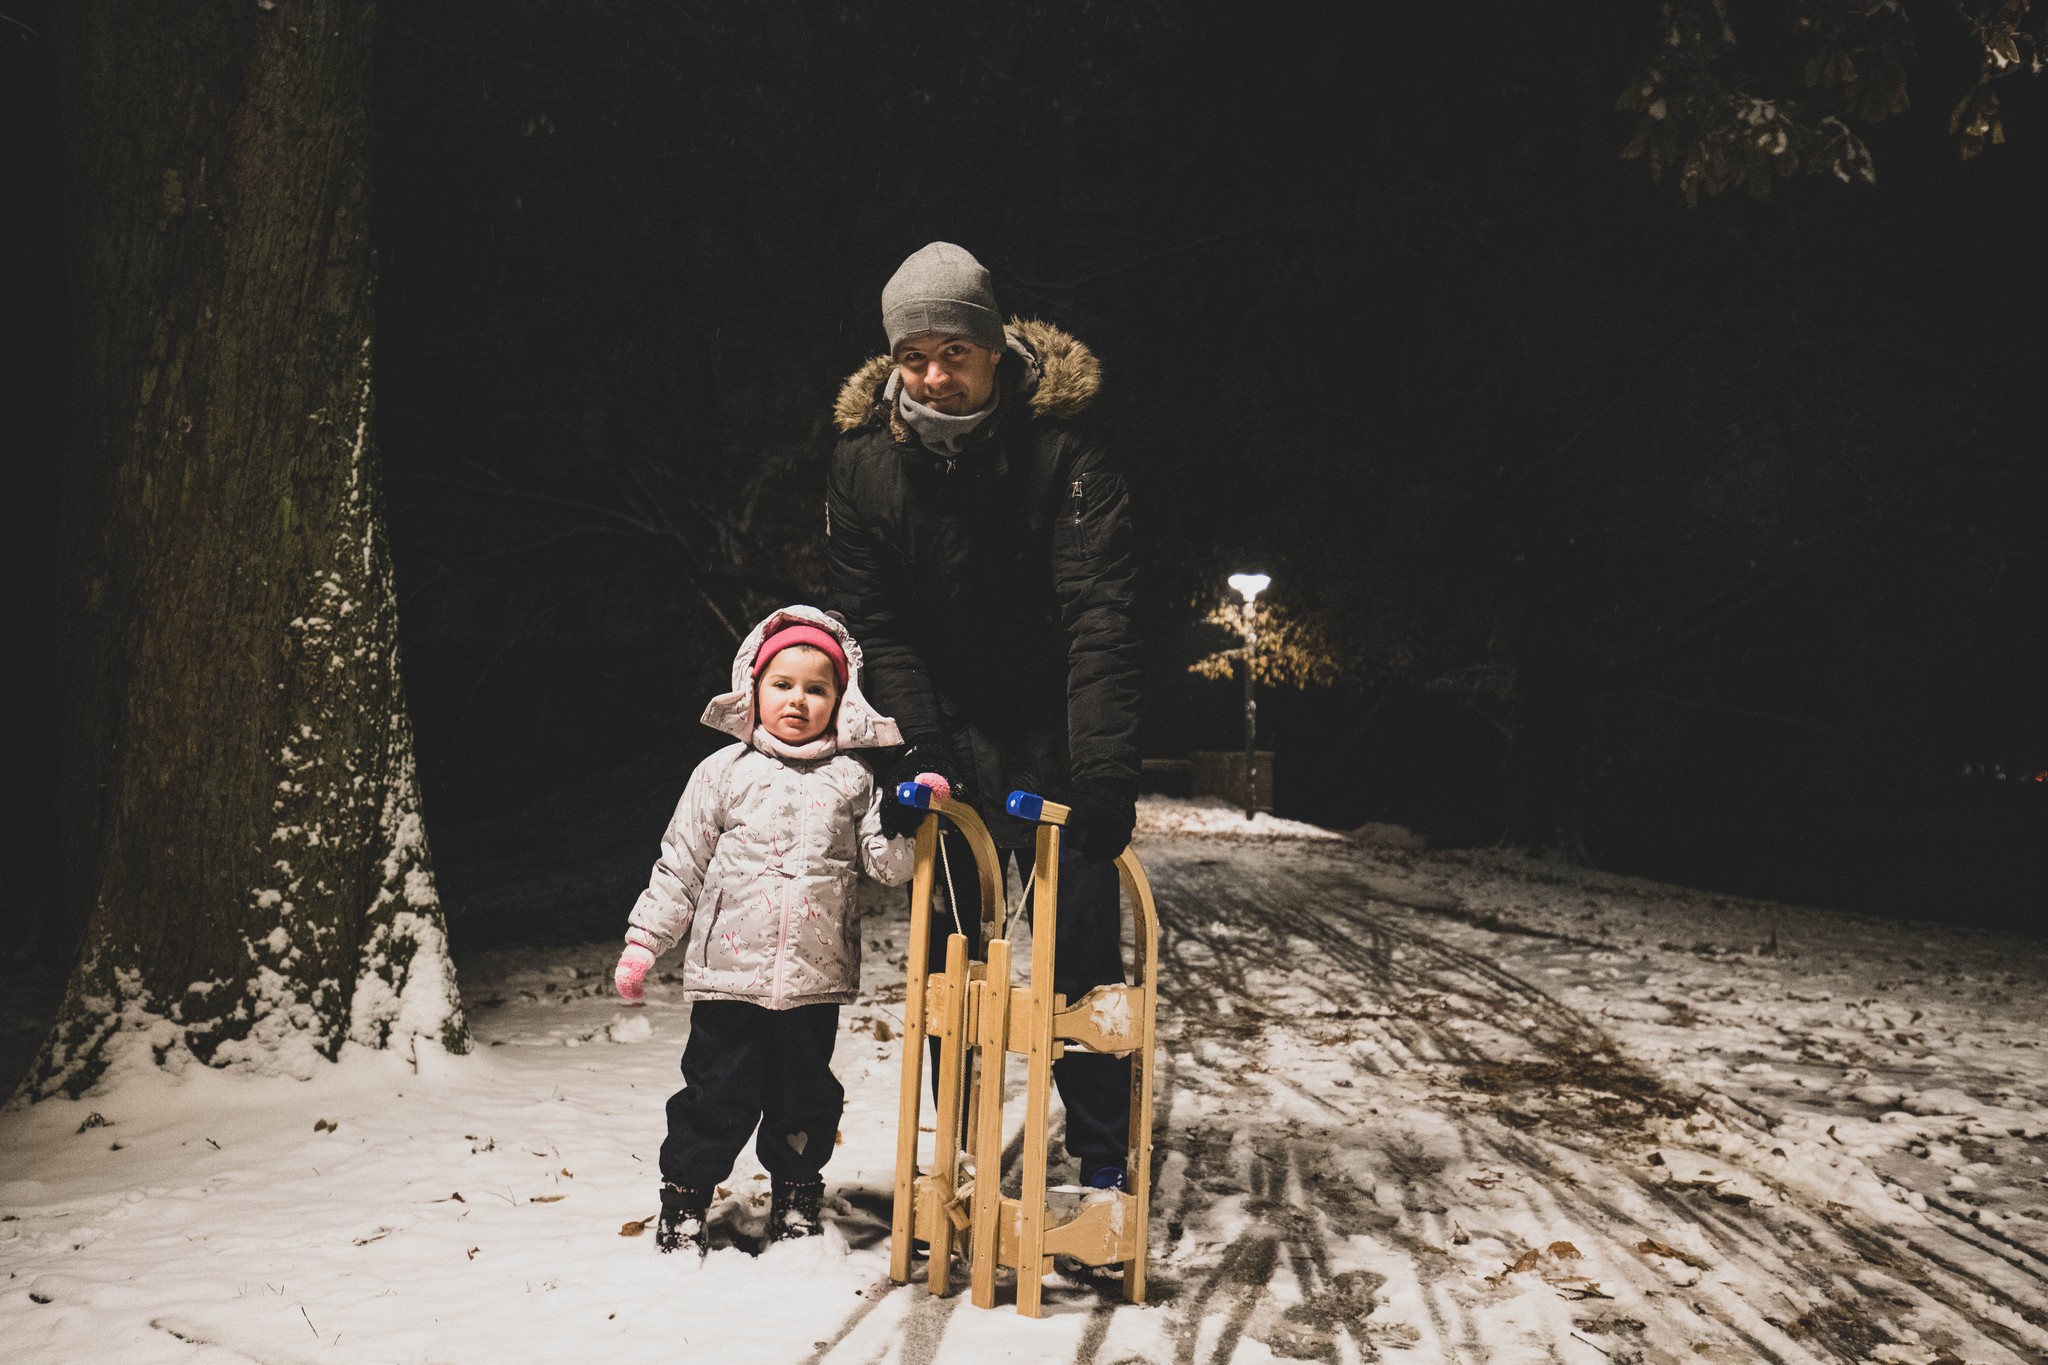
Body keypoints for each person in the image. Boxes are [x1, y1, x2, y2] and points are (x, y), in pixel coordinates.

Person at [825, 241, 1143, 1193]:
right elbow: (877, 624)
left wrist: (1104, 771)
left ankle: (1099, 1160)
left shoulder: (1066, 455)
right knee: (951, 954)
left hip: (1052, 734)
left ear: (993, 349)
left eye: (954, 352)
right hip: (947, 735)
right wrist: (917, 749)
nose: (934, 373)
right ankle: (960, 1149)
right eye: (914, 354)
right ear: (893, 359)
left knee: (1081, 949)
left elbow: (1101, 615)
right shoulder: (860, 469)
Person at [613, 605, 913, 1255]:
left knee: (804, 1096)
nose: (799, 700)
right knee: (715, 1092)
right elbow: (680, 864)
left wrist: (909, 816)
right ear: (752, 686)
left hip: (814, 977)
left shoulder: (855, 780)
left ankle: (798, 1193)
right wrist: (644, 942)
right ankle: (686, 1200)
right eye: (783, 684)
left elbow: (886, 867)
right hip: (729, 976)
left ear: (840, 697)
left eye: (816, 687)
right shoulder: (721, 773)